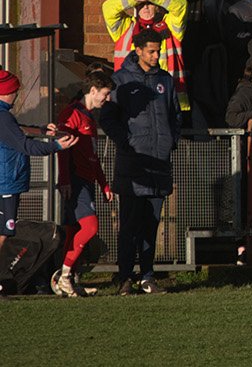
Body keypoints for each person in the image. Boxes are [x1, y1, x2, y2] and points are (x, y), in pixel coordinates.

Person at [96, 29, 180, 295]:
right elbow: (107, 119)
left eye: (159, 51)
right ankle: (124, 278)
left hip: (160, 163)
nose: (157, 56)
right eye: (152, 51)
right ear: (139, 50)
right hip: (133, 165)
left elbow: (175, 115)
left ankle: (147, 275)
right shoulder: (120, 81)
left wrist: (170, 141)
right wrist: (127, 141)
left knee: (152, 223)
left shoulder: (165, 81)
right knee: (130, 224)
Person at [1, 68, 77, 297]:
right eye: (14, 91)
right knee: (3, 233)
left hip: (7, 182)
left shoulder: (5, 116)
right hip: (5, 183)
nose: (16, 96)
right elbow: (25, 145)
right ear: (6, 92)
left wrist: (43, 130)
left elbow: (18, 131)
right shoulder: (3, 116)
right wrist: (57, 146)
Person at [53, 70, 113, 297]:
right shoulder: (71, 113)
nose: (107, 99)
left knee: (75, 230)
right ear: (93, 90)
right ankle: (65, 276)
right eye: (105, 94)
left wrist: (104, 184)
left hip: (86, 181)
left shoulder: (88, 116)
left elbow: (93, 157)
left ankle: (68, 280)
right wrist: (65, 180)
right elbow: (63, 150)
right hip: (75, 181)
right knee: (90, 227)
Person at [102, 0, 189, 114]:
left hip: (167, 99)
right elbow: (108, 8)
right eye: (141, 4)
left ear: (157, 6)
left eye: (149, 4)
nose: (146, 7)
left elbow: (181, 6)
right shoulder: (126, 27)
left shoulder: (169, 25)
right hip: (132, 98)